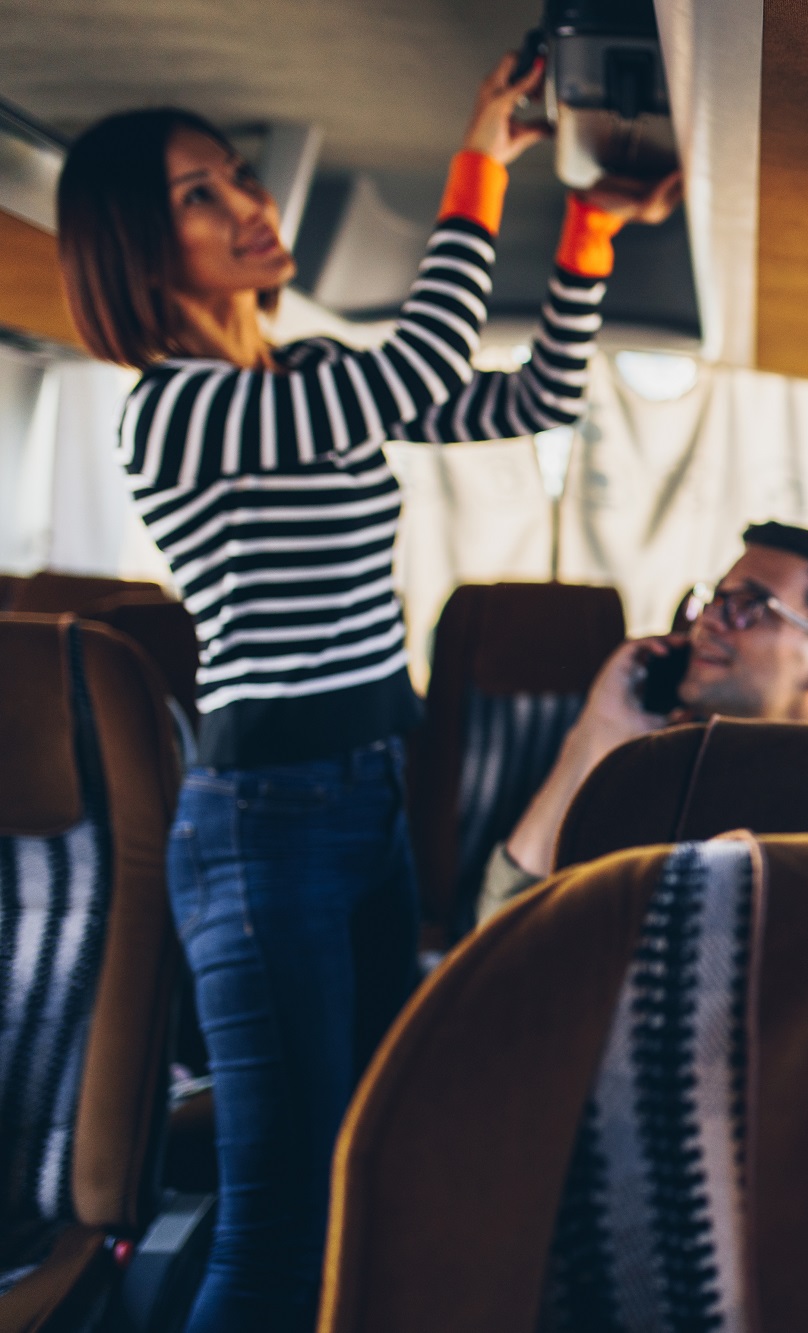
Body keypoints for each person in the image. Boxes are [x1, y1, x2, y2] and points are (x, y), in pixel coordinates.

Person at [55, 57, 680, 1332]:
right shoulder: (176, 414)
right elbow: (427, 353)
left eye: (237, 176)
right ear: (136, 246)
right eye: (199, 196)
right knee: (281, 1217)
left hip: (363, 798)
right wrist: (479, 162)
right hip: (261, 826)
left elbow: (530, 397)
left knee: (364, 1157)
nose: (244, 203)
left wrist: (587, 231)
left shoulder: (299, 384)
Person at [479, 521, 808, 920]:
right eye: (714, 598)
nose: (707, 620)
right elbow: (505, 920)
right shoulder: (659, 769)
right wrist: (597, 730)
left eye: (749, 607)